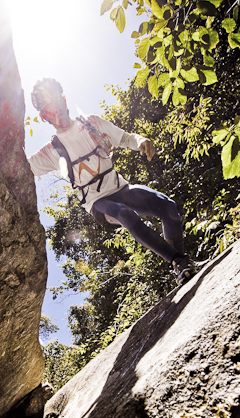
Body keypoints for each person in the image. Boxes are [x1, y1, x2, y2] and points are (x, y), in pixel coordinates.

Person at [28, 78, 197, 286]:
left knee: (168, 206)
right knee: (125, 214)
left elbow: (125, 138)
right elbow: (20, 168)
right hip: (98, 203)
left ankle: (182, 267)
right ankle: (180, 262)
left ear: (64, 98)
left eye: (56, 98)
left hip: (121, 188)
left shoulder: (91, 124)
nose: (56, 107)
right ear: (43, 116)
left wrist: (141, 141)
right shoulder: (52, 151)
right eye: (48, 106)